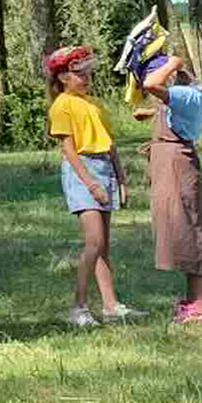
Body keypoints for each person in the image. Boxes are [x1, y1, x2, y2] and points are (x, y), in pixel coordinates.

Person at [117, 17, 202, 326]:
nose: (150, 88)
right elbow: (164, 97)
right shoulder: (180, 95)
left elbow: (154, 85)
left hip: (179, 167)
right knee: (178, 232)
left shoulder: (186, 95)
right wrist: (153, 112)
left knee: (190, 229)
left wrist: (174, 61)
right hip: (169, 165)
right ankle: (192, 301)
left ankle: (200, 306)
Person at [41, 43, 133, 330]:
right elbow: (68, 150)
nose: (86, 79)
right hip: (83, 170)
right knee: (93, 242)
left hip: (104, 167)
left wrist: (121, 179)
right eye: (79, 74)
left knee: (103, 245)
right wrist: (91, 184)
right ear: (63, 77)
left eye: (87, 73)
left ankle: (110, 306)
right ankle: (78, 307)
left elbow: (109, 144)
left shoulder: (94, 103)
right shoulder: (61, 106)